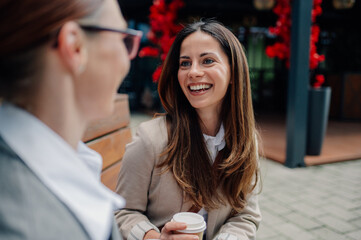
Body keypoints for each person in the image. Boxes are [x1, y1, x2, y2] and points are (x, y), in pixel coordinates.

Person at [0, 0, 142, 239]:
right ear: (75, 46)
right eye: (123, 39)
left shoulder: (70, 158)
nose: (127, 60)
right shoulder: (24, 225)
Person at [115, 20, 261, 240]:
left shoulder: (245, 140)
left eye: (207, 61)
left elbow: (245, 215)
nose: (193, 72)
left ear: (233, 73)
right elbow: (123, 212)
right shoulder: (150, 140)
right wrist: (155, 238)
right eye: (185, 64)